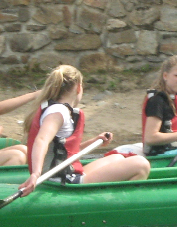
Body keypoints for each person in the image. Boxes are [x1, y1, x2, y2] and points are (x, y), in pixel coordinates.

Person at [19, 65, 150, 196]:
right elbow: (41, 140)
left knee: (117, 157)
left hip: (64, 173)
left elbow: (64, 152)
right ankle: (115, 203)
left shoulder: (59, 110)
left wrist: (94, 141)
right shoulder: (58, 112)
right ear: (78, 88)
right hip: (60, 180)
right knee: (141, 164)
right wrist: (36, 174)